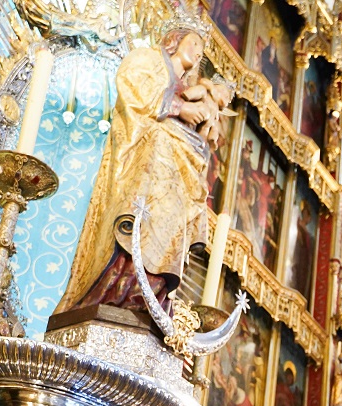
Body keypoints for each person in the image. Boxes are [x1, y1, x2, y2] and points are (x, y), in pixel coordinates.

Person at [54, 17, 224, 316]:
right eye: (194, 42)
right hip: (142, 163)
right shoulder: (147, 59)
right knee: (139, 219)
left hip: (174, 179)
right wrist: (180, 109)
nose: (198, 52)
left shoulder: (189, 88)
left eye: (202, 50)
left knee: (169, 225)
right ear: (175, 38)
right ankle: (117, 288)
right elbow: (133, 90)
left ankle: (151, 293)